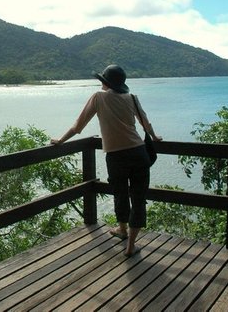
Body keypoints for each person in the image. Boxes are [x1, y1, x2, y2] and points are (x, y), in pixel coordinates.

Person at [51, 64, 162, 257]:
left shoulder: (98, 97)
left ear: (105, 82)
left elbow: (79, 126)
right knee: (138, 199)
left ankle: (122, 229)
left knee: (120, 193)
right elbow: (146, 124)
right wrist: (154, 137)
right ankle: (130, 246)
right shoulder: (132, 98)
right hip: (139, 153)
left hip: (116, 156)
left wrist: (61, 140)